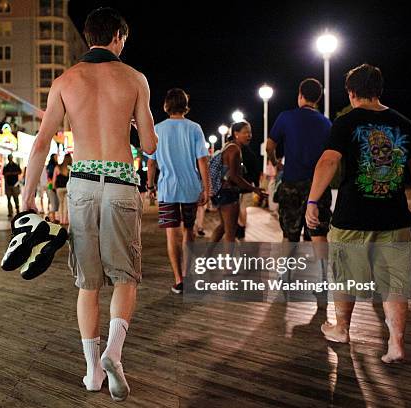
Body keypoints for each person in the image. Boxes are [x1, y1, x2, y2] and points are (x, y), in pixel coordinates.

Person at [21, 7, 157, 402]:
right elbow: (148, 146)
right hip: (120, 183)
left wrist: (28, 196)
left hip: (79, 186)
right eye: (124, 40)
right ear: (117, 37)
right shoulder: (134, 79)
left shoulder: (65, 80)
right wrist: (132, 125)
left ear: (87, 38)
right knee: (125, 278)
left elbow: (42, 142)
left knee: (88, 283)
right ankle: (115, 351)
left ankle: (92, 372)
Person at [306, 64, 411, 364]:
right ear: (379, 90)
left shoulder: (347, 121)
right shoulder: (404, 122)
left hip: (352, 216)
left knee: (346, 277)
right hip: (395, 217)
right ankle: (396, 344)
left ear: (351, 92)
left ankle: (341, 329)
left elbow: (328, 162)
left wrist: (312, 201)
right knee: (396, 282)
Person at [146, 88, 210, 294]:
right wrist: (206, 188)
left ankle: (178, 279)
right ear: (185, 105)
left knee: (171, 235)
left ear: (166, 105)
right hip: (191, 189)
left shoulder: (158, 129)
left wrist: (150, 186)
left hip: (167, 191)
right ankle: (189, 275)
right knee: (188, 232)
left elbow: (151, 163)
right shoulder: (195, 128)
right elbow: (202, 160)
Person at [266, 78, 332, 243]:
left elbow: (269, 147)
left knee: (289, 235)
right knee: (318, 233)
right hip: (318, 186)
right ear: (317, 99)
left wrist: (275, 163)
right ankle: (322, 269)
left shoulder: (286, 117)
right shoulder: (326, 123)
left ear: (300, 95)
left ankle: (288, 269)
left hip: (292, 184)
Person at [210, 122, 267, 243]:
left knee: (222, 227)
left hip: (221, 192)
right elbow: (234, 177)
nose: (249, 135)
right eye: (245, 132)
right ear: (236, 134)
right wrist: (254, 189)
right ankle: (228, 262)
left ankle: (205, 257)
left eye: (250, 132)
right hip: (228, 193)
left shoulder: (228, 146)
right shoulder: (234, 149)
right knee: (231, 232)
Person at [237, 143, 261, 239]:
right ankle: (242, 227)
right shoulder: (251, 154)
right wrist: (257, 185)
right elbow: (256, 171)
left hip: (236, 184)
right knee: (244, 208)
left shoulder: (235, 152)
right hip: (248, 185)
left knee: (237, 208)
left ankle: (239, 226)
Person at [53, 154, 71, 225]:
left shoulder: (58, 167)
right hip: (67, 188)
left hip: (59, 189)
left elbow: (54, 179)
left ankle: (61, 220)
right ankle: (65, 220)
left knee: (61, 203)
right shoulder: (70, 167)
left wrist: (54, 187)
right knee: (66, 204)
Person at [46, 154, 59, 222]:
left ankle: (53, 218)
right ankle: (53, 218)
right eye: (56, 157)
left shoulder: (49, 165)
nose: (57, 158)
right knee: (54, 201)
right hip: (52, 185)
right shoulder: (52, 166)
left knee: (53, 201)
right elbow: (50, 176)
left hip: (49, 185)